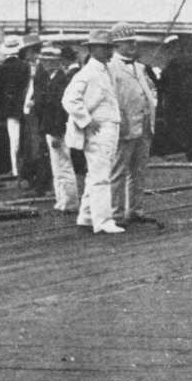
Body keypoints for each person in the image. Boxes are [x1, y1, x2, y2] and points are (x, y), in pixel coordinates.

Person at [63, 29, 125, 234]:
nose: (109, 51)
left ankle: (87, 216)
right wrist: (86, 121)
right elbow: (69, 99)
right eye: (104, 48)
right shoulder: (88, 72)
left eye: (110, 47)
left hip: (108, 127)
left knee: (96, 174)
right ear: (92, 49)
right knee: (101, 175)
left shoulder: (104, 70)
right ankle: (103, 221)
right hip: (99, 130)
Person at [106, 23, 158, 225]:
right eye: (127, 43)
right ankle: (115, 213)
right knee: (118, 171)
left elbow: (151, 90)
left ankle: (135, 209)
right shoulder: (111, 67)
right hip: (125, 127)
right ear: (116, 45)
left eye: (133, 42)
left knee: (139, 171)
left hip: (144, 125)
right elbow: (111, 98)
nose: (132, 46)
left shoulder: (140, 67)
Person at [32, 45, 77, 213]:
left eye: (47, 61)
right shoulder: (54, 79)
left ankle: (69, 202)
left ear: (54, 63)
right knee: (57, 166)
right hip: (52, 129)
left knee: (63, 166)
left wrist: (57, 133)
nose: (44, 64)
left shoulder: (59, 81)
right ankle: (62, 200)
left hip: (57, 130)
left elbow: (59, 109)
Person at [158, 35, 192, 161]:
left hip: (173, 98)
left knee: (172, 125)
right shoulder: (191, 60)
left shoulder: (170, 63)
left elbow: (164, 83)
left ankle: (174, 151)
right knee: (187, 124)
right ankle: (190, 152)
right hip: (188, 97)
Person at [0, 35, 31, 176]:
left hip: (9, 108)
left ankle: (16, 169)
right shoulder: (25, 66)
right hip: (24, 105)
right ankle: (27, 167)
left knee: (13, 139)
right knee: (26, 138)